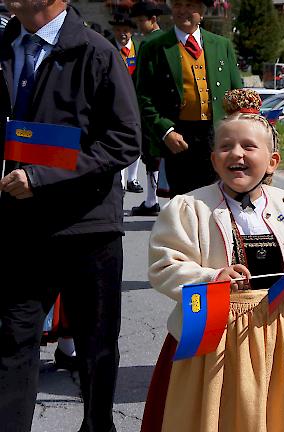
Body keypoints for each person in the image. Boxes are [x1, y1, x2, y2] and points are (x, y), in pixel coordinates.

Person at [140, 89, 284, 432]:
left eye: (249, 147)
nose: (236, 154)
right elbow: (164, 266)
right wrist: (211, 277)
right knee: (208, 414)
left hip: (273, 332)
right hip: (208, 335)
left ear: (273, 161)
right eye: (225, 147)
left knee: (270, 412)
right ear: (213, 159)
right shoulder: (189, 207)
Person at [0, 2, 141, 431]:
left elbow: (123, 140)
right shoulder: (4, 49)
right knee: (13, 340)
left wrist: (41, 177)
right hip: (20, 225)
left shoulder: (97, 52)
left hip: (87, 226)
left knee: (96, 346)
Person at [136, 0, 242, 197]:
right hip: (178, 136)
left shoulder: (222, 45)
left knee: (218, 198)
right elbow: (143, 97)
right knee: (184, 202)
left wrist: (239, 131)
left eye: (189, 5)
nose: (182, 10)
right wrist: (165, 131)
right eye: (177, 5)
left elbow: (237, 94)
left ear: (202, 11)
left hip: (216, 134)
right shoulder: (154, 47)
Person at [130, 0, 170, 216]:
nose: (138, 26)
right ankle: (152, 199)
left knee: (151, 154)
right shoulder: (169, 40)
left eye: (140, 21)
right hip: (166, 106)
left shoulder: (148, 43)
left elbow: (141, 80)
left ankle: (152, 200)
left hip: (150, 107)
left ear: (153, 19)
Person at [110, 12, 144, 194]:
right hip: (115, 100)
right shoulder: (108, 48)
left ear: (131, 32)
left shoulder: (139, 49)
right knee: (117, 137)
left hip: (135, 100)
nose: (122, 33)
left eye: (125, 30)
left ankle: (133, 178)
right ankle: (120, 180)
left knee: (135, 137)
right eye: (118, 30)